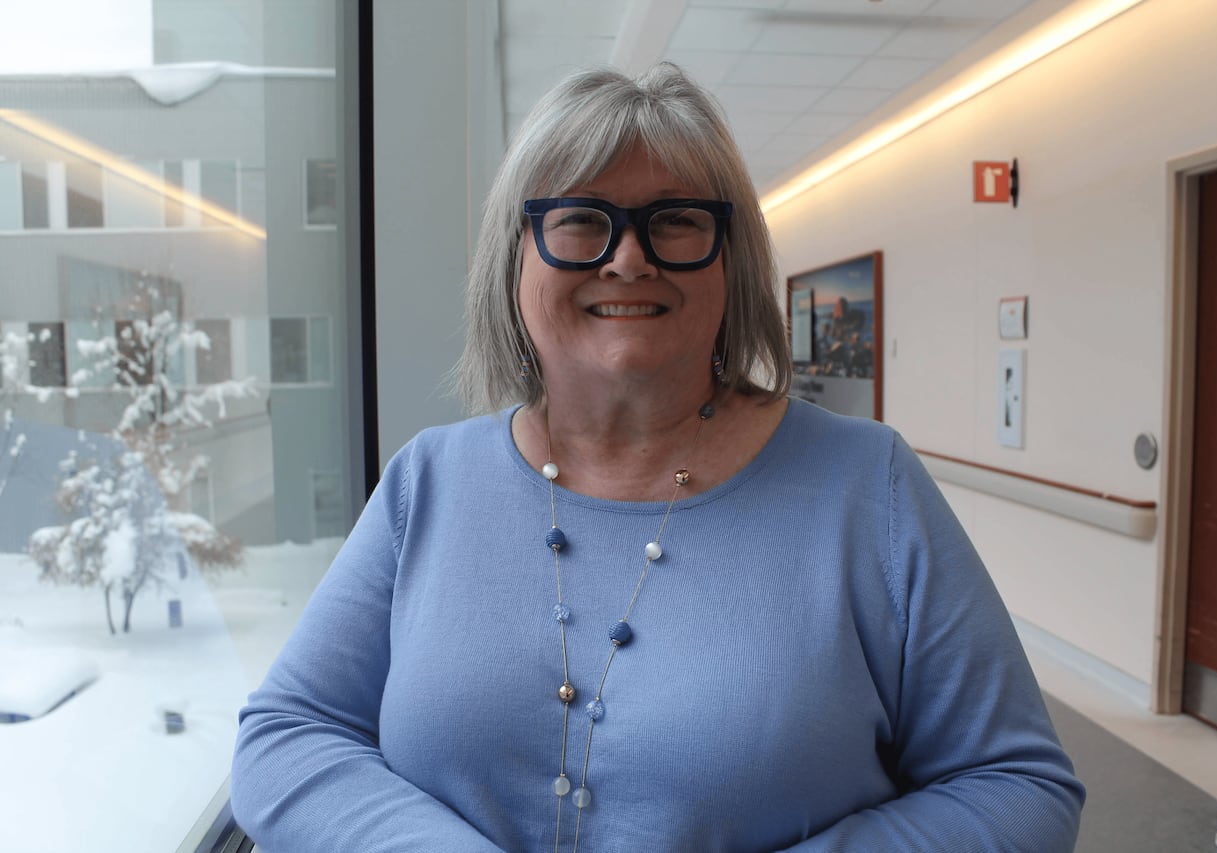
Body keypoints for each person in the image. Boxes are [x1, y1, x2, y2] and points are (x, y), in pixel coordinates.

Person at [231, 63, 1084, 852]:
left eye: (676, 220)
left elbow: (1018, 785)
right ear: (515, 257)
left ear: (732, 260)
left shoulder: (869, 487)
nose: (627, 256)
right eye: (580, 219)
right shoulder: (428, 484)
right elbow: (284, 735)